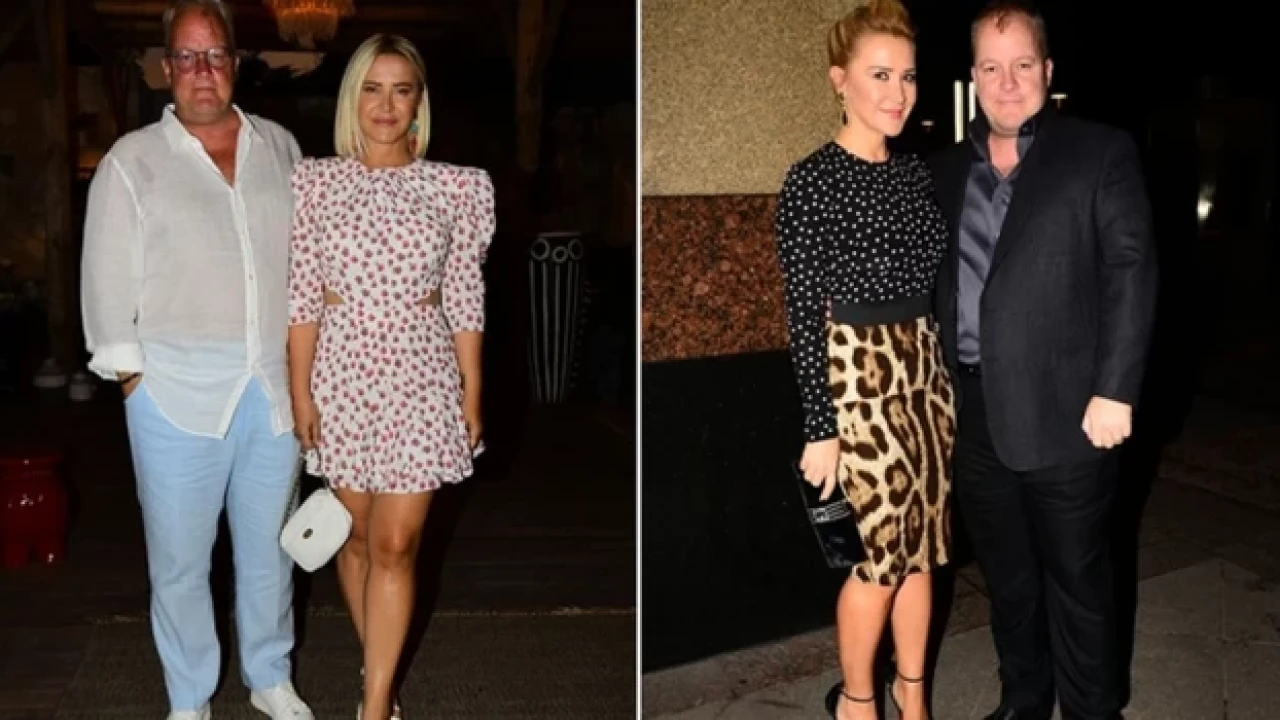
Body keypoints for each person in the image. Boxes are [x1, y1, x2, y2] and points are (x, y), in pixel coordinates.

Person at [79, 1, 313, 718]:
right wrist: (132, 380)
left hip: (271, 388)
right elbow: (105, 277)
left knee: (270, 549)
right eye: (187, 56)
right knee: (180, 562)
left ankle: (269, 677)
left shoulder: (281, 147)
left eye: (215, 55)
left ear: (234, 63)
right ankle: (189, 697)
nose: (202, 70)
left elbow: (309, 263)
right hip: (173, 394)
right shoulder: (131, 161)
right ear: (166, 67)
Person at [928, 2, 1158, 719]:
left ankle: (1092, 711)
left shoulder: (1099, 152)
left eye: (1022, 64)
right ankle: (1024, 701)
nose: (1006, 81)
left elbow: (1131, 270)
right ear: (973, 76)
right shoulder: (941, 171)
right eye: (991, 67)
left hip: (1071, 416)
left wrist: (1116, 389)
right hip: (973, 418)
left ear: (1047, 70)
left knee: (1079, 583)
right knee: (1010, 583)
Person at [286, 33, 494, 720]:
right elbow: (301, 297)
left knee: (396, 543)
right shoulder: (316, 182)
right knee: (355, 537)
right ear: (353, 99)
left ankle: (375, 706)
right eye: (371, 89)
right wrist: (301, 391)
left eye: (401, 90)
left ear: (418, 102)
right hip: (342, 371)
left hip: (421, 370)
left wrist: (472, 390)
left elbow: (465, 295)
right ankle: (379, 669)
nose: (385, 104)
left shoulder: (457, 187)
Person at [774, 2, 954, 718]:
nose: (898, 92)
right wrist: (821, 428)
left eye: (907, 76)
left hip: (925, 376)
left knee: (923, 549)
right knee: (878, 559)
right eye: (880, 75)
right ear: (839, 80)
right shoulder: (811, 181)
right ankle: (857, 702)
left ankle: (914, 701)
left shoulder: (915, 176)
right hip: (857, 377)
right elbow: (801, 316)